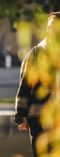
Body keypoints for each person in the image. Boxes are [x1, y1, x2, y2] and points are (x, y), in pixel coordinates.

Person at [15, 11, 60, 157]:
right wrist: (21, 116)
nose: (51, 29)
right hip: (38, 117)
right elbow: (24, 85)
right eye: (49, 26)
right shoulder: (36, 53)